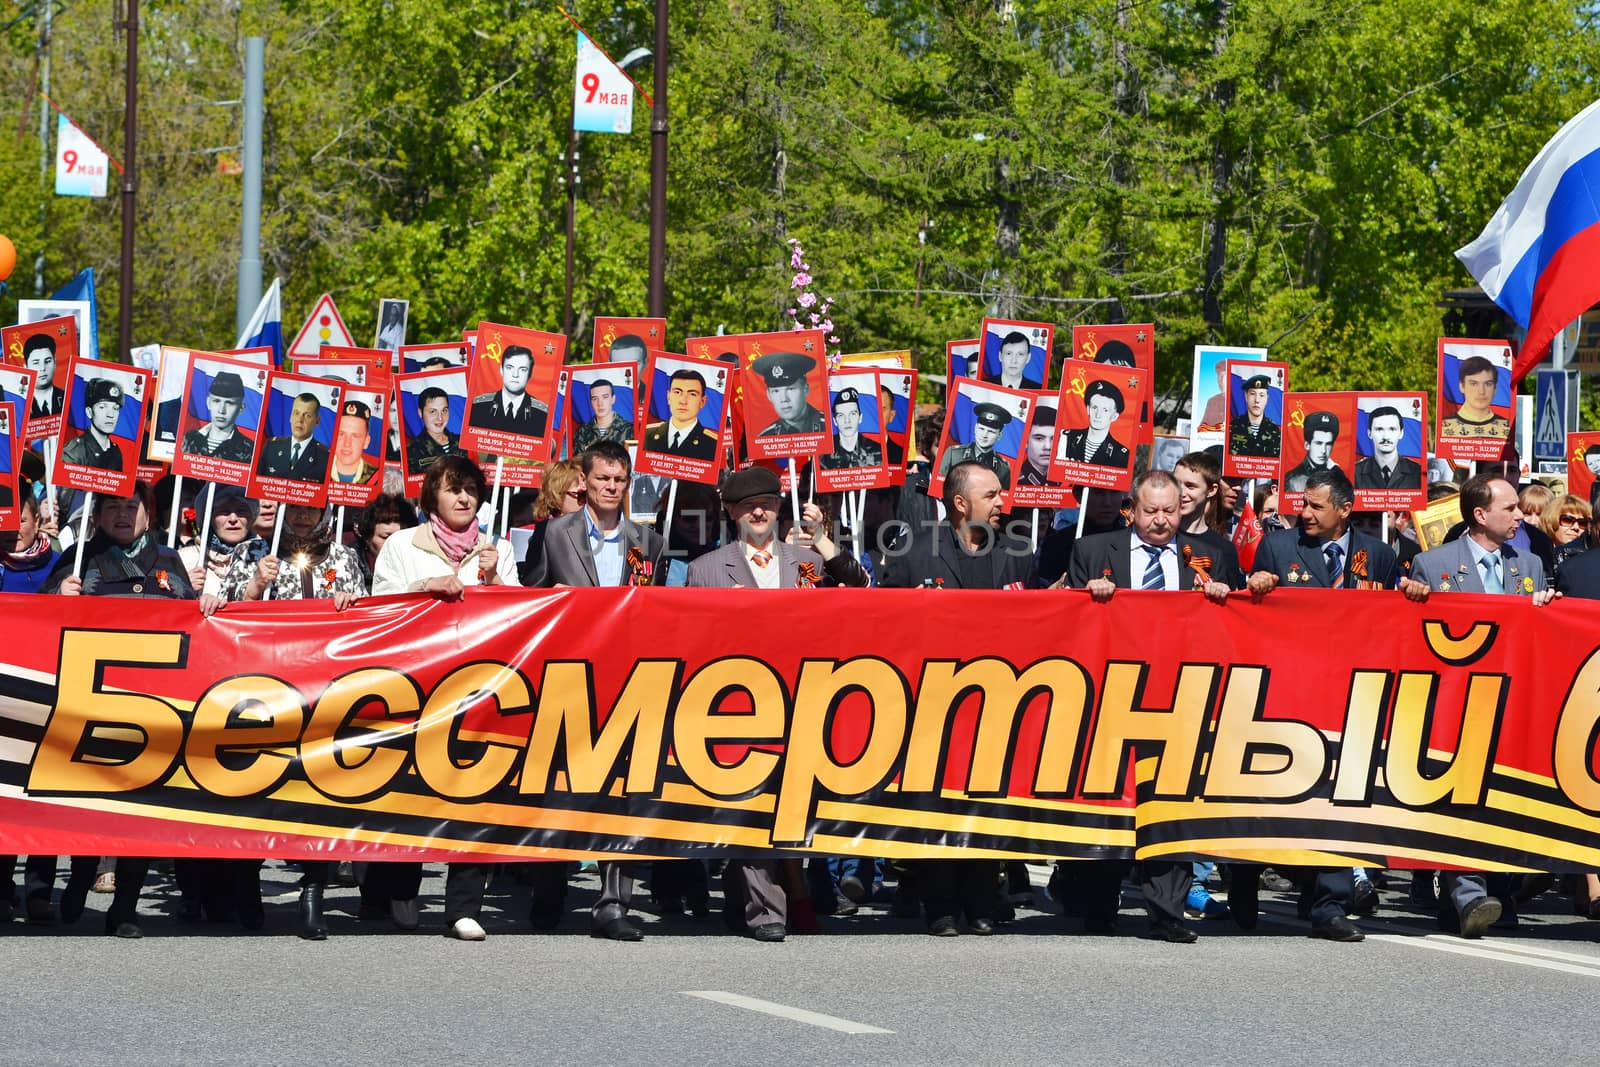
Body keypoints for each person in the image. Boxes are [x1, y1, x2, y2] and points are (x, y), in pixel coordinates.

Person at [685, 466, 868, 942]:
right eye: (748, 506)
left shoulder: (805, 560)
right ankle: (766, 911)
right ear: (731, 512)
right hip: (736, 705)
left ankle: (762, 896)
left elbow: (864, 592)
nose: (759, 512)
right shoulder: (706, 569)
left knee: (791, 809)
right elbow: (690, 643)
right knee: (749, 806)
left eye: (766, 503)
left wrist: (826, 545)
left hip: (802, 700)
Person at [1067, 470, 1235, 943]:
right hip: (1111, 696)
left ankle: (1167, 912)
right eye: (1151, 511)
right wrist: (1089, 598)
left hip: (1182, 697)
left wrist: (1222, 598)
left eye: (1170, 511)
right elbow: (1070, 621)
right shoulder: (1094, 551)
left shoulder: (1211, 555)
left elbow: (1238, 625)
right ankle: (1098, 906)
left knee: (1173, 807)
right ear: (1132, 509)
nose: (1161, 521)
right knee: (1107, 801)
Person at [1241, 467, 1398, 943]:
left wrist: (1412, 596)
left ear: (1345, 510)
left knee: (1339, 796)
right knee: (1270, 793)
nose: (1303, 513)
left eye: (1314, 506)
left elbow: (1390, 623)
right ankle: (1245, 882)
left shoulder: (1381, 554)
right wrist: (1259, 587)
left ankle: (1329, 905)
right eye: (1301, 504)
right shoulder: (1280, 547)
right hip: (1288, 691)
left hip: (1350, 695)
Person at [881, 461, 1035, 934]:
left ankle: (984, 901)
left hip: (999, 699)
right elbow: (884, 618)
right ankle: (941, 905)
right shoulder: (914, 551)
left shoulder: (1017, 550)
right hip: (934, 702)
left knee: (989, 801)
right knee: (937, 803)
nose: (1002, 503)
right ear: (960, 503)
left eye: (1001, 494)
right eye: (991, 495)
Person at [196, 503, 362, 939]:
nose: (305, 518)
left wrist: (352, 603)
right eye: (297, 509)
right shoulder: (253, 551)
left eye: (313, 509)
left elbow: (370, 622)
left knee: (317, 795)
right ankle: (247, 883)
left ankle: (313, 893)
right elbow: (224, 617)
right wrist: (254, 586)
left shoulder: (344, 555)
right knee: (258, 790)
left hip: (325, 694)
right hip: (265, 692)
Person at [370, 455, 518, 941]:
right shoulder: (400, 545)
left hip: (478, 689)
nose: (463, 498)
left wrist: (496, 582)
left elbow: (521, 621)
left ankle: (463, 905)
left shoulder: (496, 550)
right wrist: (422, 587)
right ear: (432, 494)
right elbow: (378, 611)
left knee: (473, 791)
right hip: (416, 687)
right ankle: (401, 885)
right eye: (453, 489)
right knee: (410, 790)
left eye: (471, 490)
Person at [1400, 475, 1554, 938]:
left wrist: (1548, 609)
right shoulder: (1434, 563)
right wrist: (1411, 601)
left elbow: (1538, 639)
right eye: (1510, 509)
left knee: (1503, 801)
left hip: (1511, 704)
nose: (1520, 517)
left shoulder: (1528, 563)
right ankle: (1467, 891)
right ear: (1480, 514)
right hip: (1455, 706)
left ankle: (1495, 892)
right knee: (1461, 802)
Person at [524, 441, 667, 941]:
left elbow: (654, 608)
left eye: (620, 480)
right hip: (567, 677)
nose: (612, 488)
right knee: (559, 789)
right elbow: (534, 598)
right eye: (604, 479)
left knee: (624, 793)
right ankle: (549, 893)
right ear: (585, 482)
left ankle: (613, 904)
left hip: (628, 682)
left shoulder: (646, 541)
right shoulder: (555, 532)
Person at [43, 483, 197, 938]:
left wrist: (204, 604)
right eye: (114, 507)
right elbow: (33, 627)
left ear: (148, 516)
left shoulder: (169, 562)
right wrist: (56, 602)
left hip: (156, 708)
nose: (124, 515)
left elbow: (197, 628)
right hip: (92, 704)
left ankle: (125, 908)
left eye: (133, 507)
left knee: (140, 810)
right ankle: (78, 880)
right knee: (92, 807)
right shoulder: (78, 561)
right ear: (97, 515)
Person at [177, 488, 258, 597]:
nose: (233, 519)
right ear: (209, 517)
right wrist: (182, 588)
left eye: (241, 511)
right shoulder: (184, 559)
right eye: (224, 511)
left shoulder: (266, 562)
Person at [469, 346, 548, 436]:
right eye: (509, 368)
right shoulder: (477, 407)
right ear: (501, 370)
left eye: (522, 370)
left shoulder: (542, 414)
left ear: (530, 374)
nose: (515, 375)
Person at [181, 371, 256, 463]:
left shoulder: (249, 449)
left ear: (241, 408)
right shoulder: (189, 438)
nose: (221, 410)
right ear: (208, 403)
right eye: (216, 401)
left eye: (229, 403)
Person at [643, 369, 719, 459]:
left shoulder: (713, 444)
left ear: (702, 401)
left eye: (692, 394)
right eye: (677, 392)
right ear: (668, 397)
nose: (683, 401)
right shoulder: (646, 435)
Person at [255, 392, 331, 482]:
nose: (300, 420)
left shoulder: (325, 457)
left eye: (307, 416)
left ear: (317, 421)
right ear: (290, 417)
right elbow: (256, 485)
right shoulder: (271, 446)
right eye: (296, 413)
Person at [352, 492, 419, 591]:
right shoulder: (350, 566)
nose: (393, 544)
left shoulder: (419, 564)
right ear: (368, 538)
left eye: (400, 537)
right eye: (385, 537)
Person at [939, 402, 1014, 488]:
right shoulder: (953, 454)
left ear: (999, 435)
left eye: (991, 432)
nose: (984, 435)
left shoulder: (1003, 468)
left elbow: (1003, 498)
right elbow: (939, 486)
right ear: (975, 428)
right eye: (981, 429)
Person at [1057, 380, 1129, 469]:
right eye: (1094, 407)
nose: (1098, 415)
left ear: (1114, 416)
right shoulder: (1066, 438)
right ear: (1088, 409)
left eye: (1105, 410)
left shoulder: (1121, 455)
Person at [752, 351, 826, 436]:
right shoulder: (765, 437)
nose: (784, 399)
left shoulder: (829, 426)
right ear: (769, 395)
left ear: (805, 389)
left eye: (790, 389)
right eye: (776, 391)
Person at [60, 378, 125, 471]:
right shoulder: (73, 453)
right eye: (102, 407)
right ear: (89, 412)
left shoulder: (115, 452)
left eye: (115, 408)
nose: (111, 415)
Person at [1440, 356, 1511, 439]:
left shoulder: (1508, 429)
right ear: (1462, 386)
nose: (1481, 391)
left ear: (1495, 388)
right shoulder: (1443, 428)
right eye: (1473, 384)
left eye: (1488, 384)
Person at [1354, 406, 1423, 489]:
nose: (1386, 437)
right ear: (1369, 433)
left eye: (1392, 429)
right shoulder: (1355, 473)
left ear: (1401, 433)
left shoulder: (1418, 473)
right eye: (1379, 429)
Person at [820, 387, 883, 470]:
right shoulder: (823, 454)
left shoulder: (878, 450)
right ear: (835, 421)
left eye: (852, 414)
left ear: (860, 418)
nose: (847, 421)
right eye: (841, 415)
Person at [406, 386, 466, 474]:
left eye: (444, 410)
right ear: (420, 413)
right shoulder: (411, 451)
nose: (440, 418)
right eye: (433, 411)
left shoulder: (463, 443)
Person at [1283, 410, 1340, 492]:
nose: (1323, 450)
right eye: (1318, 443)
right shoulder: (1292, 480)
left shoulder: (1338, 475)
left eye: (1328, 444)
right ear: (1307, 445)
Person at [573, 378, 634, 452]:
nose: (600, 404)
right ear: (591, 402)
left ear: (613, 399)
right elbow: (577, 462)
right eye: (595, 399)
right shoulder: (582, 432)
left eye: (605, 397)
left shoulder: (629, 430)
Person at [1228, 374, 1280, 458]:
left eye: (1261, 395)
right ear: (1246, 396)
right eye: (1252, 394)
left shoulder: (1275, 431)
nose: (1257, 400)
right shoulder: (1232, 427)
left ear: (1267, 398)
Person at [1541, 493, 1592, 580]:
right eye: (1567, 520)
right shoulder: (1537, 557)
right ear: (1552, 520)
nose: (1576, 527)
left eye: (1582, 523)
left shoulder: (1590, 560)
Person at [329, 400, 379, 483]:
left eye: (355, 436)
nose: (347, 443)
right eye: (341, 434)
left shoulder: (376, 478)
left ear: (366, 442)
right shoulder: (317, 469)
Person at [1016, 404, 1057, 487]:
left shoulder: (1066, 481)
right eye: (1039, 438)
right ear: (1026, 441)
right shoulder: (1013, 481)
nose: (1048, 447)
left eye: (1054, 439)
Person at [23, 334, 62, 418]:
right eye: (36, 363)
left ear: (55, 363)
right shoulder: (20, 404)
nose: (42, 368)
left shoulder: (68, 398)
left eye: (47, 361)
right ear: (25, 367)